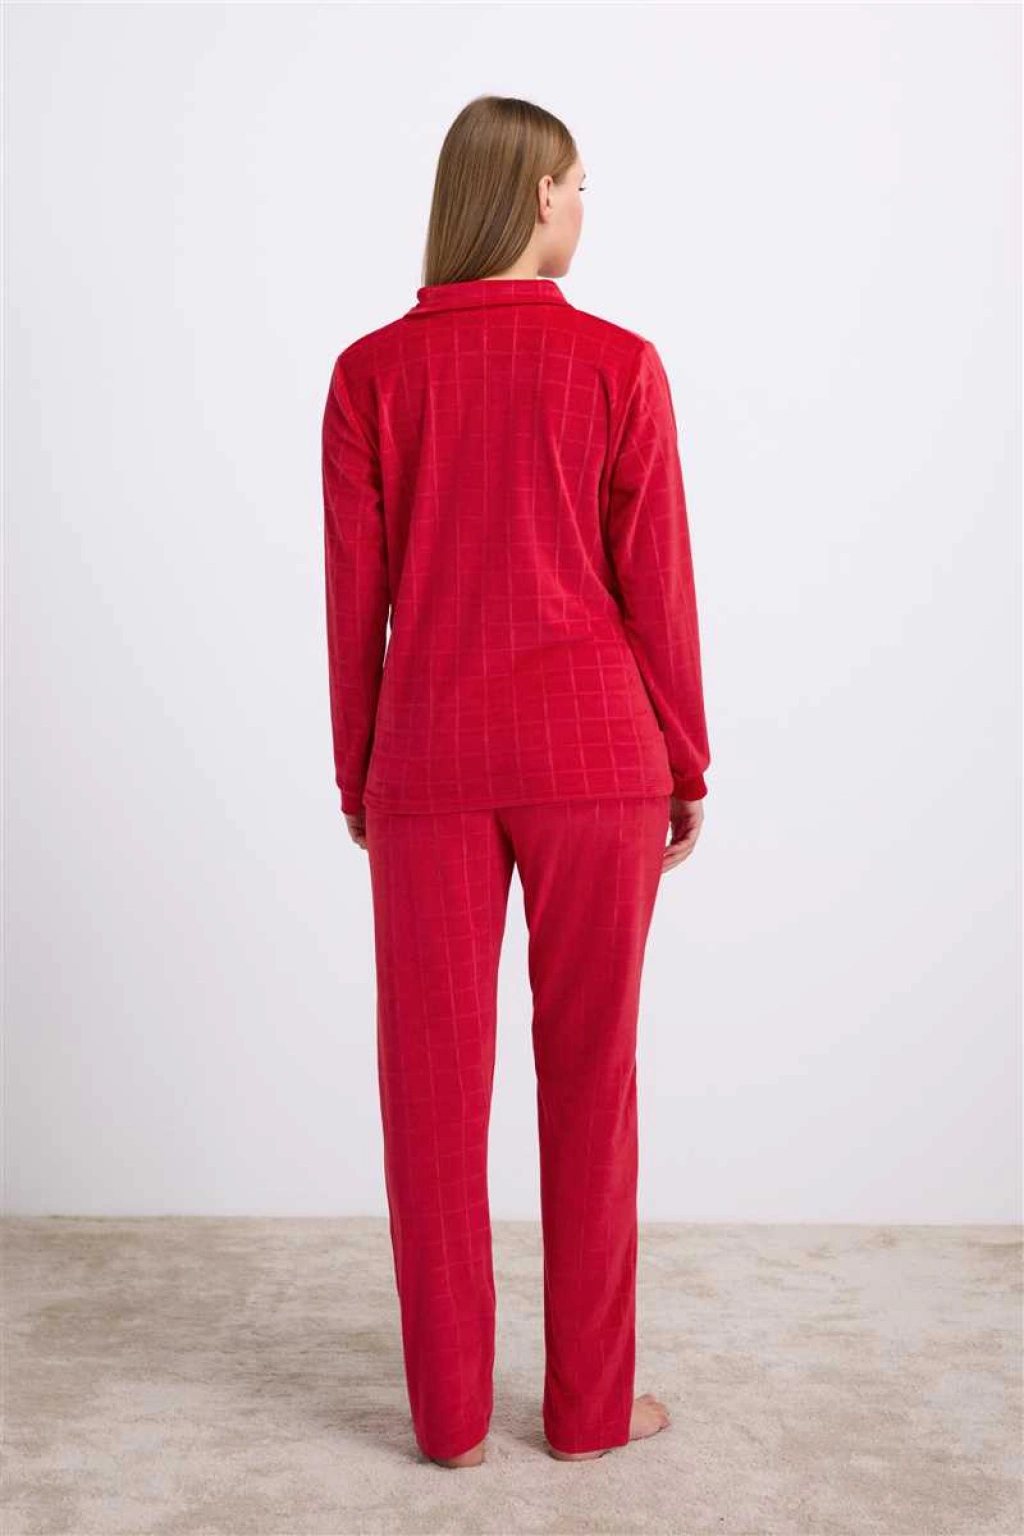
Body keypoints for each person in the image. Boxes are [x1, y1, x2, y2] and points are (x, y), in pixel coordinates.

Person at [321, 94, 711, 1469]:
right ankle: (592, 1412)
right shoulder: (617, 365)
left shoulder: (371, 375)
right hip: (598, 756)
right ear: (538, 194)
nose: (585, 209)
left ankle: (448, 1422)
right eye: (580, 185)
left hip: (427, 762)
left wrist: (359, 771)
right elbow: (656, 585)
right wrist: (687, 755)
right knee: (592, 1080)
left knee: (429, 1094)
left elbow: (355, 600)